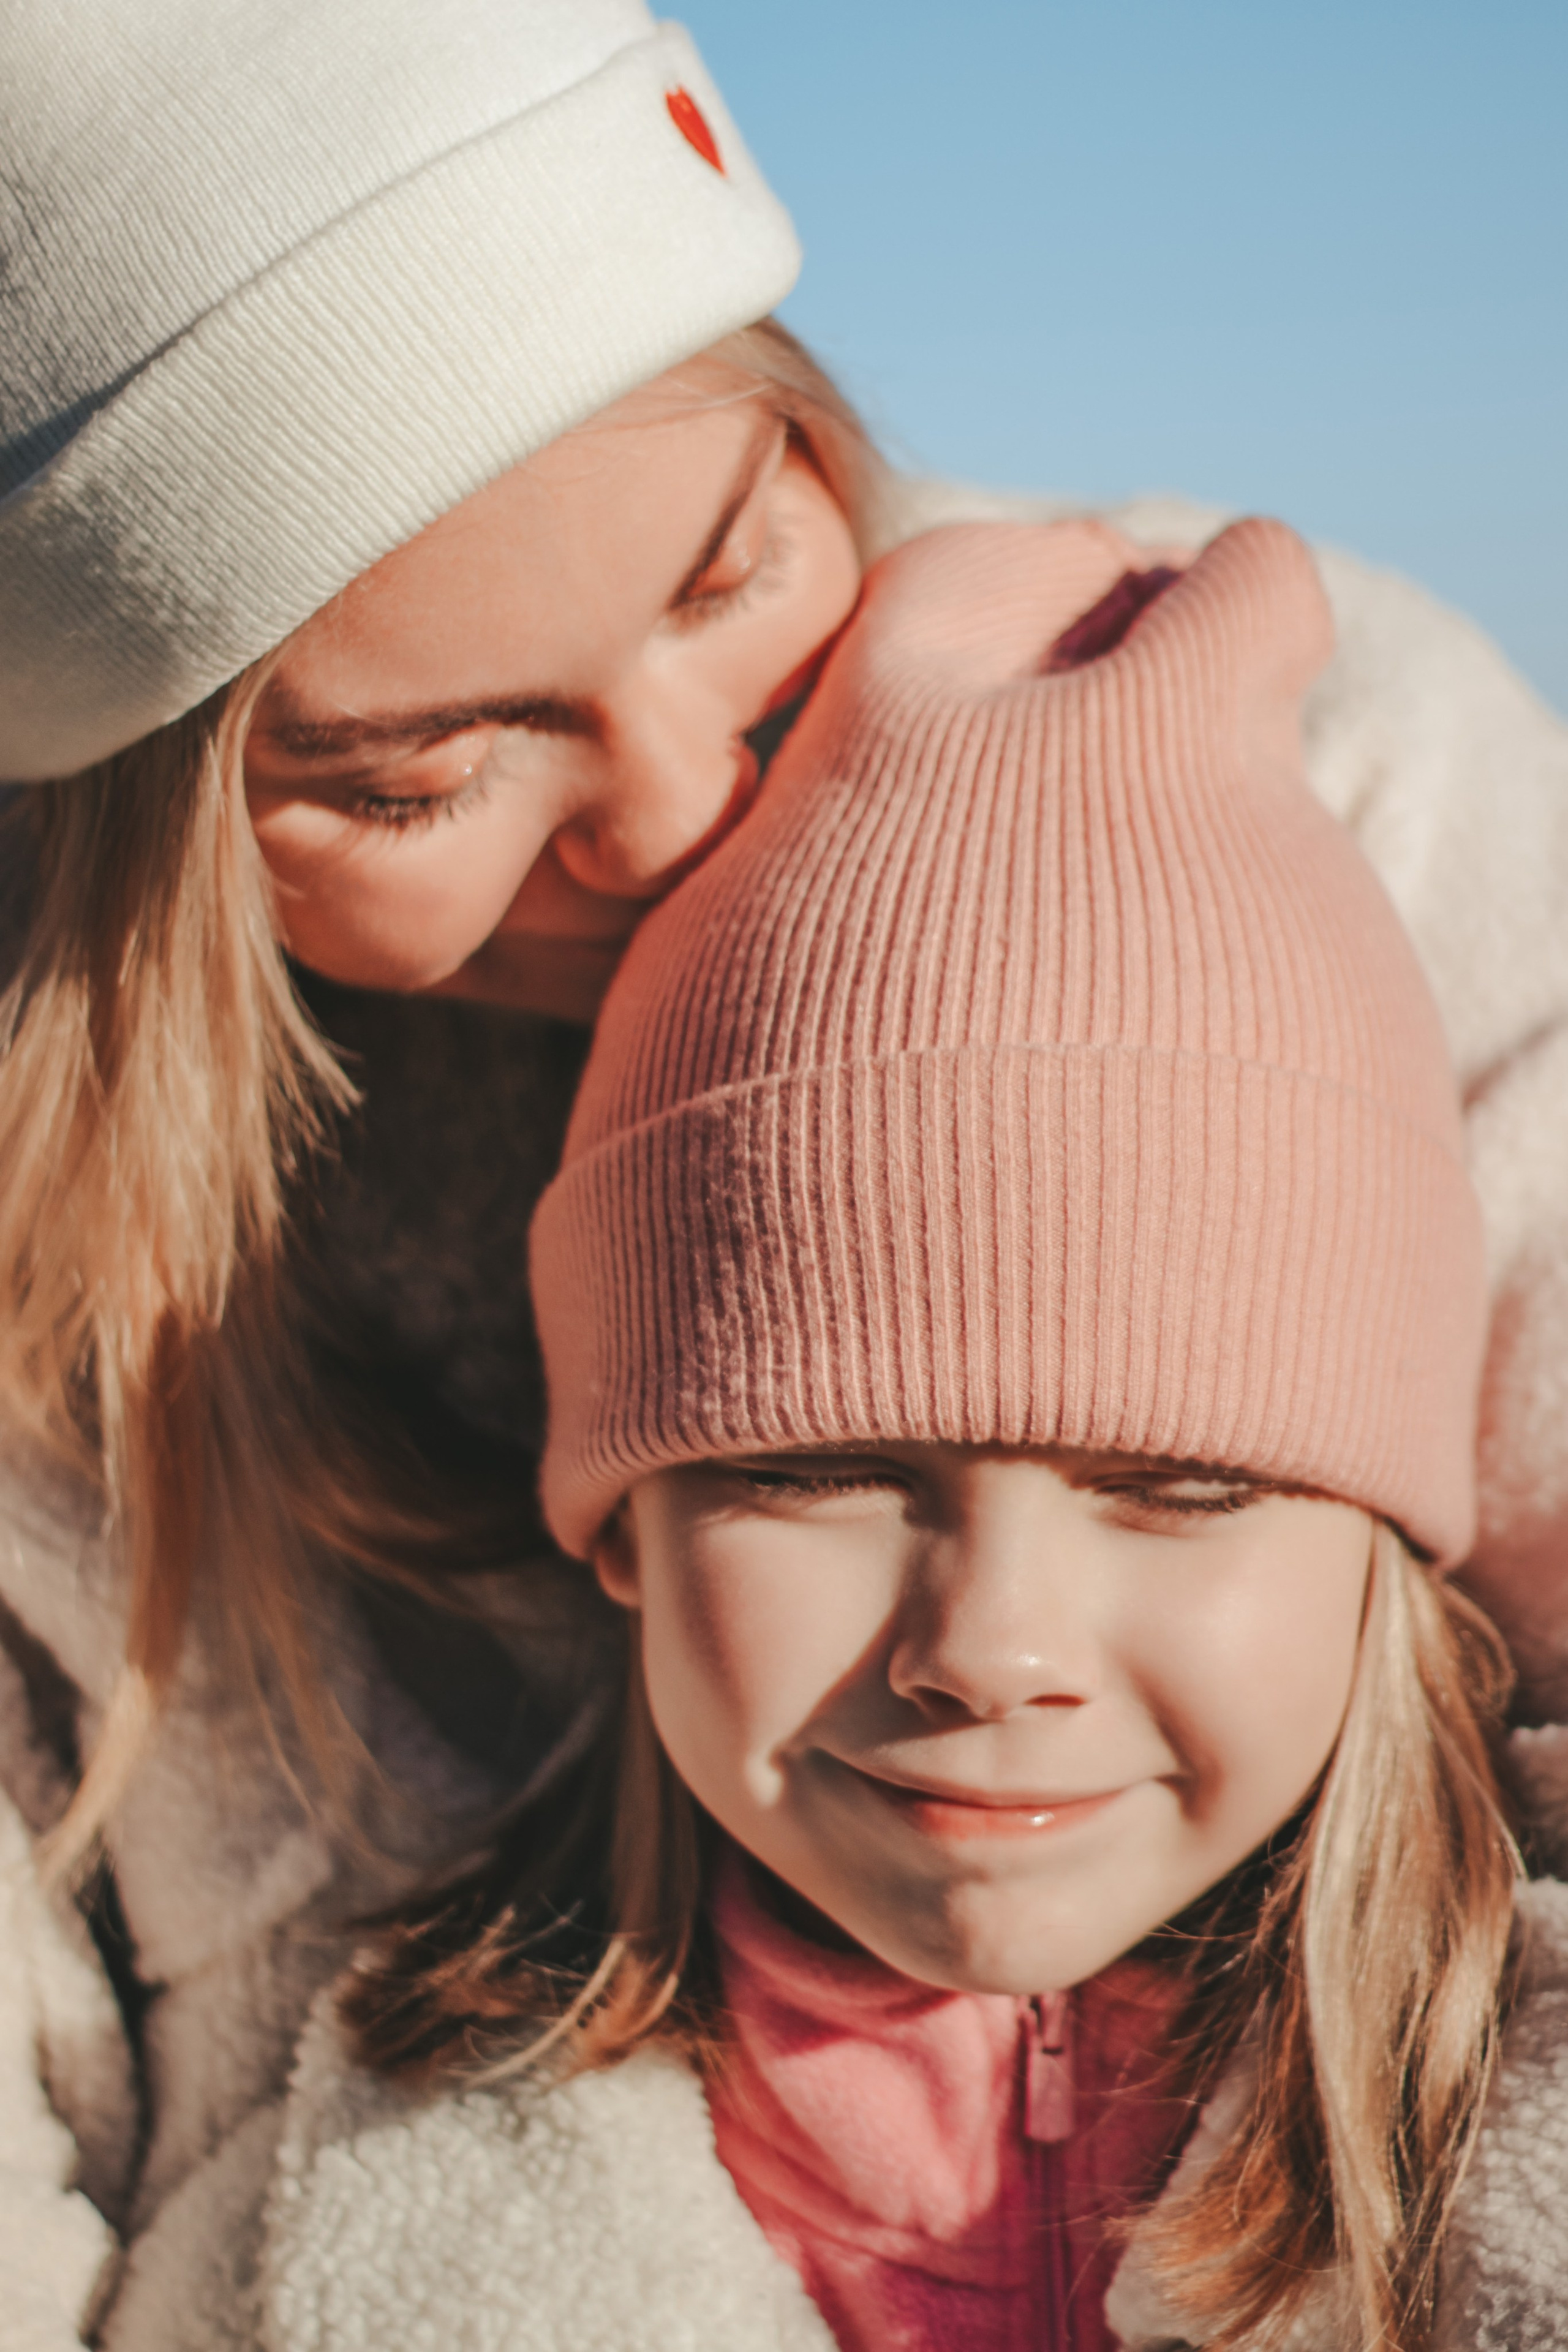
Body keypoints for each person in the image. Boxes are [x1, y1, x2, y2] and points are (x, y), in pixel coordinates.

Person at [3, 1, 1568, 2342]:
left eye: (730, 570)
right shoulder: (64, 1284)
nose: (678, 799)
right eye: (418, 774)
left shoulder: (1318, 763)